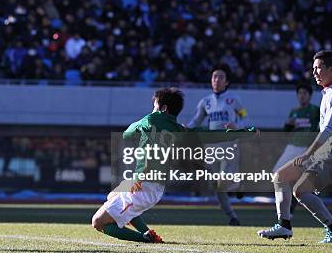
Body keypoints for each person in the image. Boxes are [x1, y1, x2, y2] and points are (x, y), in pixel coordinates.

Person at [258, 50, 332, 243]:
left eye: (318, 68)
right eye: (313, 68)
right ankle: (284, 226)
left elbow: (327, 131)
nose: (314, 72)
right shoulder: (328, 93)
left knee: (300, 190)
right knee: (280, 176)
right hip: (322, 155)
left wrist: (308, 154)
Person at [91, 88, 186, 243]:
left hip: (142, 185)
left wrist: (140, 126)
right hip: (153, 186)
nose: (152, 109)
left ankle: (146, 239)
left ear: (163, 108)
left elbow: (127, 134)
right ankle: (148, 233)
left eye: (155, 105)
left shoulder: (150, 120)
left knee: (98, 222)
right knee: (113, 195)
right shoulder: (180, 130)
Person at [187, 64, 250, 225]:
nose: (216, 79)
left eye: (220, 77)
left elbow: (245, 118)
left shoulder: (234, 99)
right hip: (211, 147)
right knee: (215, 184)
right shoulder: (205, 102)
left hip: (229, 143)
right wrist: (185, 129)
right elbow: (196, 120)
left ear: (227, 81)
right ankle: (232, 216)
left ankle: (238, 185)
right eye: (214, 76)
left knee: (223, 181)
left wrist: (238, 126)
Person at [271, 82, 320, 217]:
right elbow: (286, 131)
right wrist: (287, 124)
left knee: (290, 177)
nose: (302, 96)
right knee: (277, 173)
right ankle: (288, 208)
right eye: (300, 93)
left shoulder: (315, 110)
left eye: (305, 93)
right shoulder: (294, 111)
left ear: (310, 95)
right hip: (292, 146)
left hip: (306, 148)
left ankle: (288, 210)